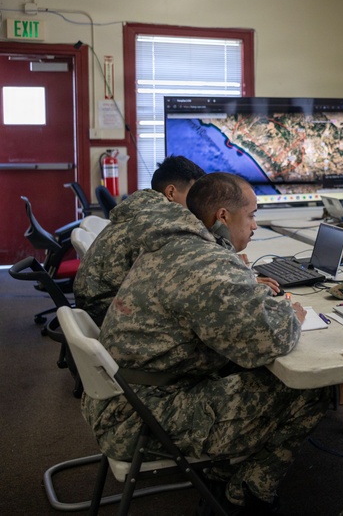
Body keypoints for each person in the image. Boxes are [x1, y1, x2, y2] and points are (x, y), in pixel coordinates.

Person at [82, 172, 327, 513]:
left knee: (242, 366)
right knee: (309, 387)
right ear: (223, 216)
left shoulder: (180, 244)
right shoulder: (201, 262)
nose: (255, 226)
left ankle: (223, 474)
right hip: (139, 420)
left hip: (128, 398)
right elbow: (271, 337)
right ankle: (244, 496)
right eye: (252, 215)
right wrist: (290, 313)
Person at [73, 156, 207, 324]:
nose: (199, 204)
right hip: (107, 313)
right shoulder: (156, 219)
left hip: (100, 304)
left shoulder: (142, 208)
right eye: (194, 196)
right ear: (171, 192)